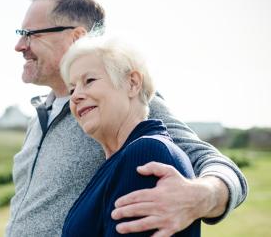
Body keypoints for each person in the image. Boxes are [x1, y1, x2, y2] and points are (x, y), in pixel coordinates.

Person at [6, 0, 247, 237]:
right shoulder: (40, 116)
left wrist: (203, 197)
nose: (19, 45)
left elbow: (214, 164)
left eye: (30, 34)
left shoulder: (122, 102)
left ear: (77, 37)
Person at [60, 35, 200, 236]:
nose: (75, 96)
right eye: (72, 89)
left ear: (132, 83)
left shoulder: (145, 154)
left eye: (89, 80)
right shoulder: (119, 161)